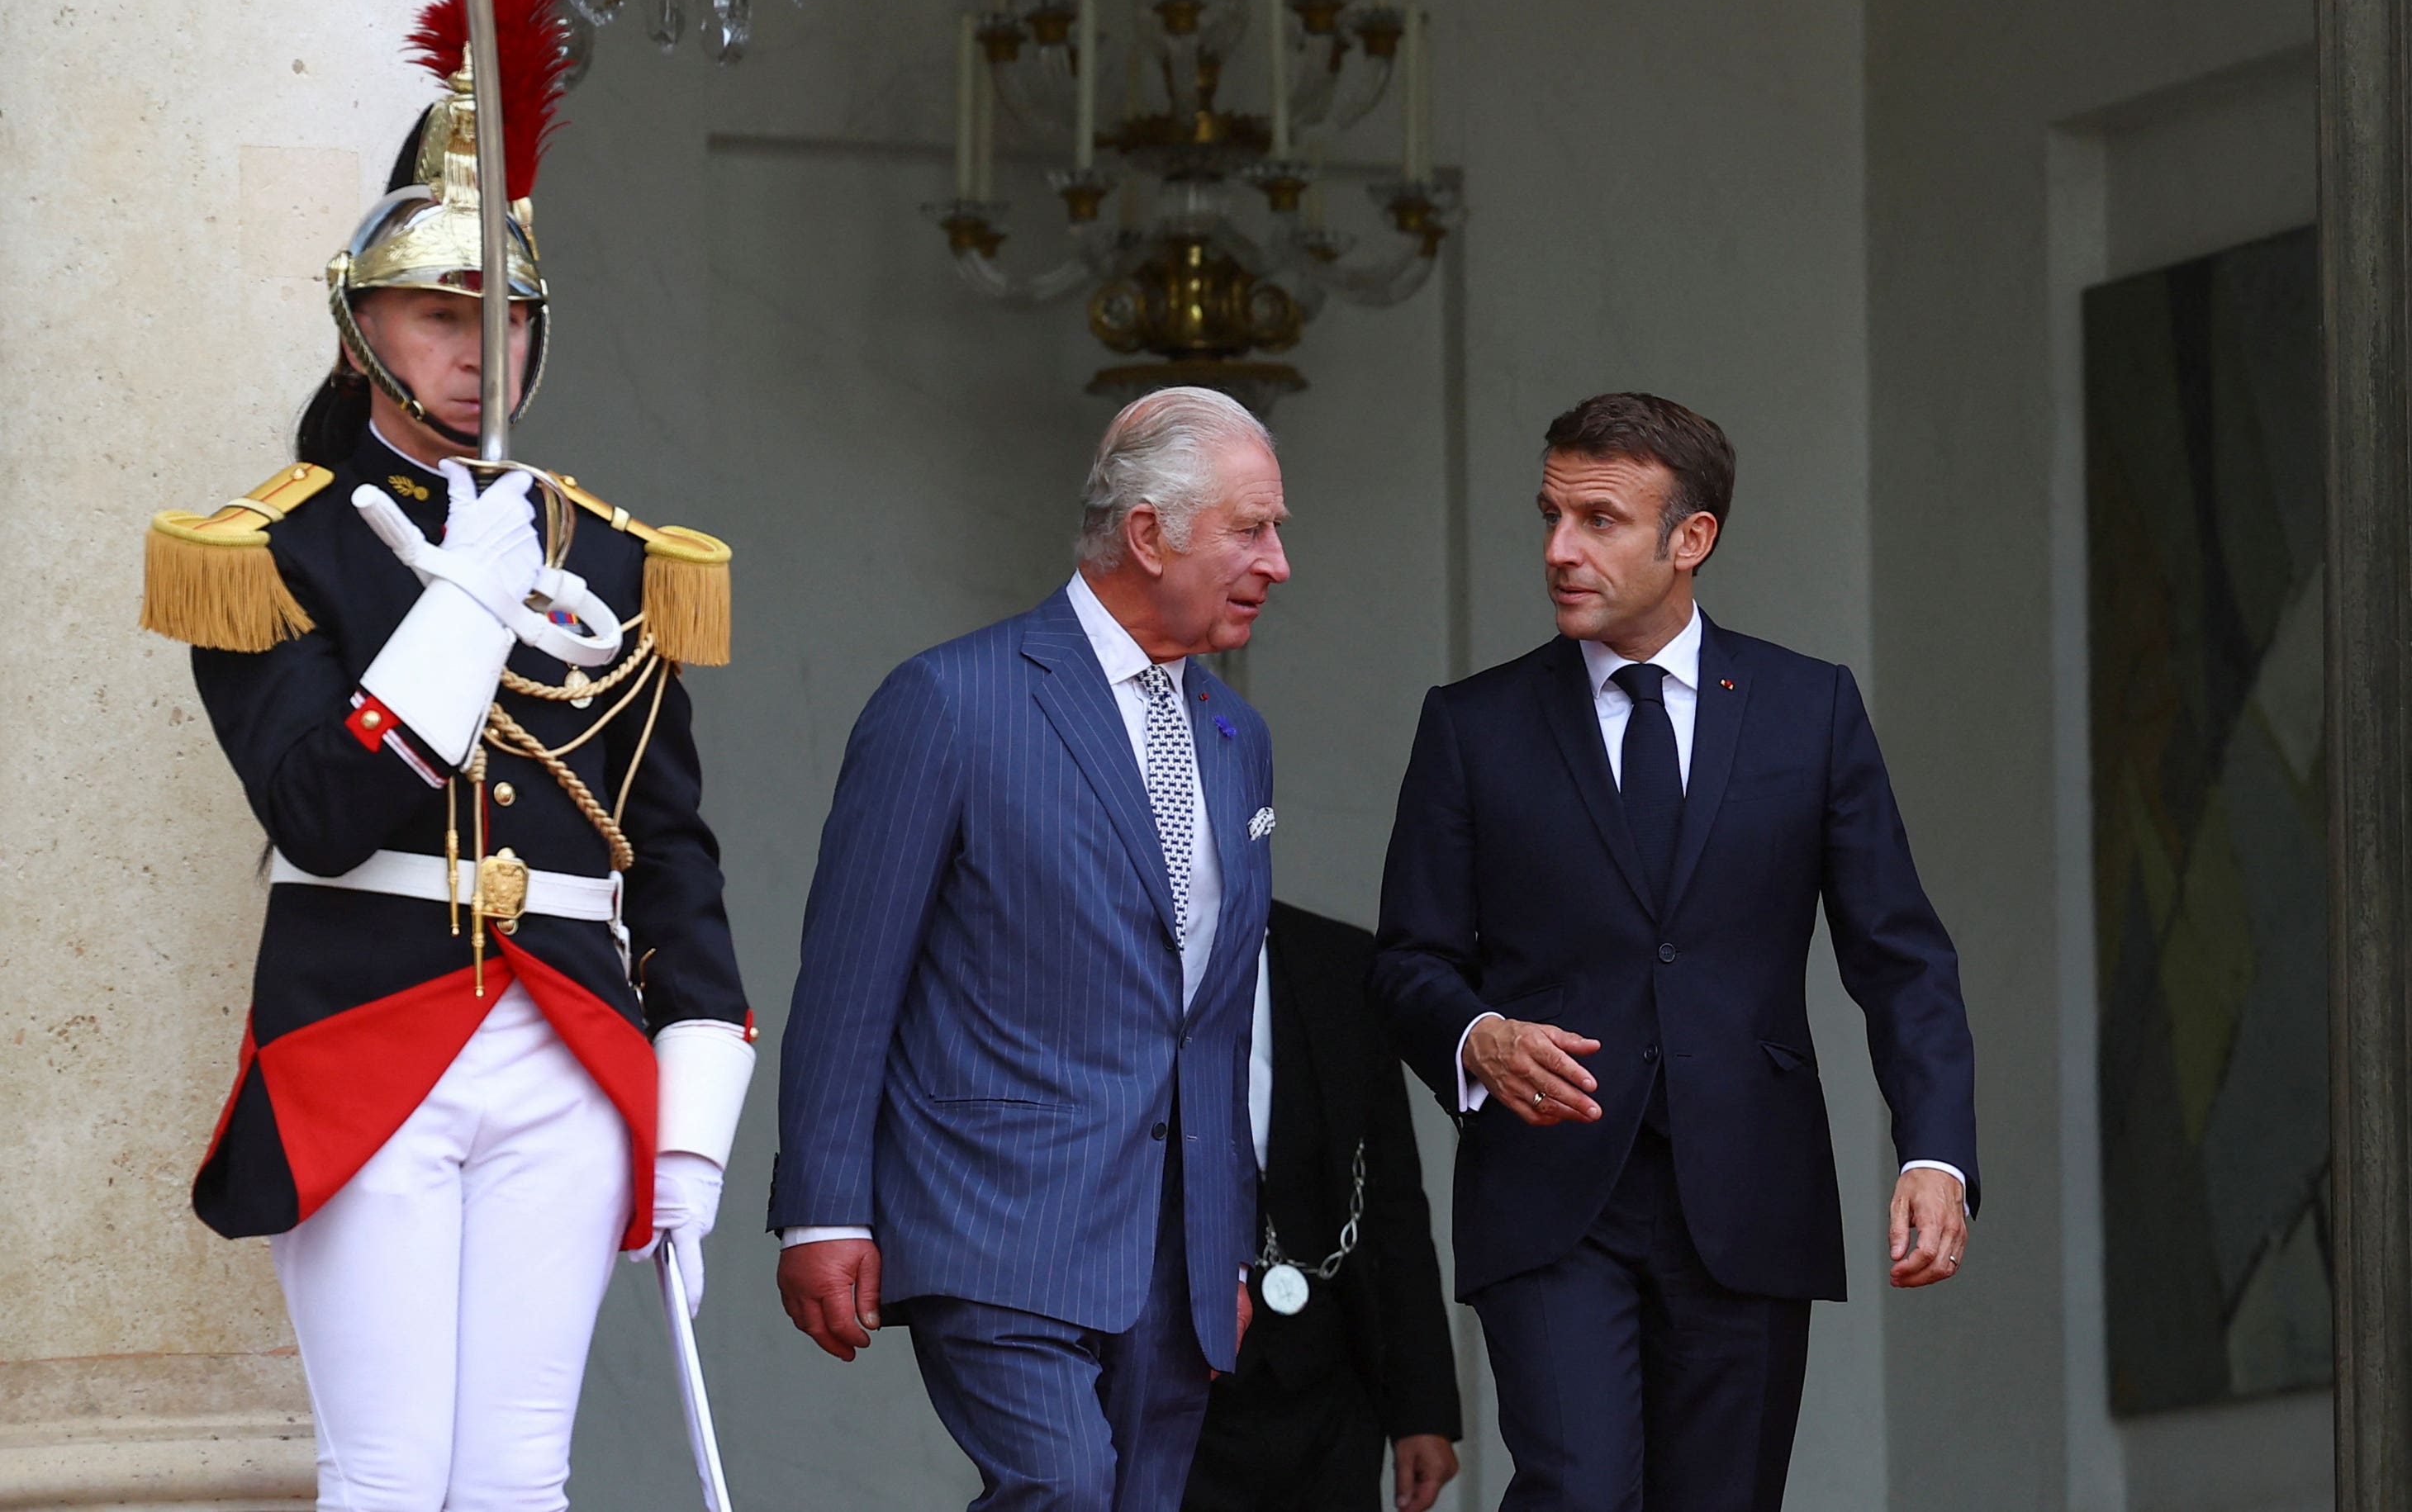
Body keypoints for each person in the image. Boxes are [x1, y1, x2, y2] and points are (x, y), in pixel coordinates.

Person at [142, 0, 753, 1512]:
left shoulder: (618, 561)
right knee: (391, 1473)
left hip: (569, 1046)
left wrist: (693, 1132)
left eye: (510, 317)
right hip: (369, 1030)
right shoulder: (267, 549)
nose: (483, 349)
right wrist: (465, 605)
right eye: (442, 312)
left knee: (517, 1480)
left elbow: (671, 858)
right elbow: (321, 807)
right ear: (363, 329)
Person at [1369, 392, 1979, 1512]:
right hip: (1552, 1187)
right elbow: (1407, 957)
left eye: (1599, 519)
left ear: (1690, 538)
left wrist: (1934, 1150)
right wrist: (1475, 1033)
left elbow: (1900, 954)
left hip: (1748, 1189)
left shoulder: (1811, 709)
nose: (1559, 548)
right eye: (1550, 514)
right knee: (1577, 1488)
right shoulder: (1472, 724)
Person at [771, 386, 1289, 1512]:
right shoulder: (951, 701)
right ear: (1151, 533)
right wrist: (824, 1207)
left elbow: (1222, 1012)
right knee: (1061, 1487)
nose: (1277, 560)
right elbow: (852, 978)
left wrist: (1232, 1244)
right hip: (993, 1208)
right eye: (1252, 527)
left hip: (1180, 1234)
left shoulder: (1238, 736)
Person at [1181, 901, 1461, 1512]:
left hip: (1329, 1388)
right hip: (1174, 1384)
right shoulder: (1113, 952)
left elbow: (1392, 1201)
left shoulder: (1339, 959)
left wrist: (1422, 1407)